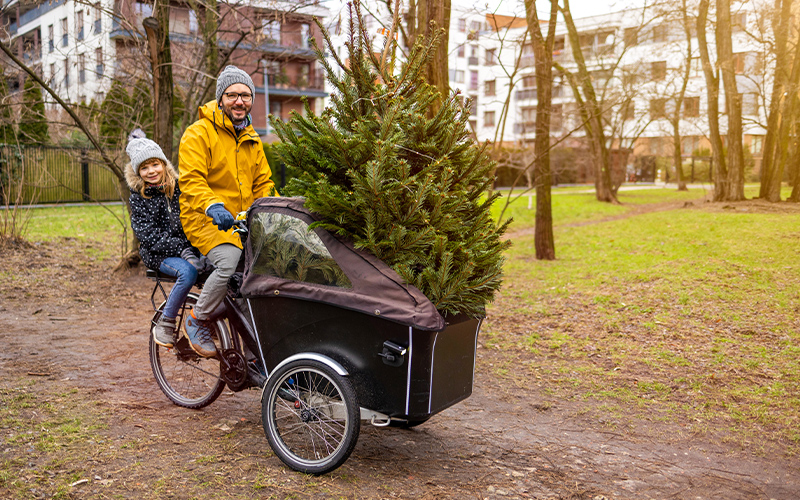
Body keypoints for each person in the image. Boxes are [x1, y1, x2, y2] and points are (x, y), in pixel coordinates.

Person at [178, 65, 278, 357]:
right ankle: (197, 319)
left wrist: (274, 210)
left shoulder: (251, 138)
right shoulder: (198, 134)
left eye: (246, 95)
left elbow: (264, 183)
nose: (239, 101)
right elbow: (191, 180)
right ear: (221, 98)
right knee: (230, 259)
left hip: (241, 221)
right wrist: (212, 205)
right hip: (204, 218)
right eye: (232, 94)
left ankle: (255, 347)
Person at [125, 130, 209, 350]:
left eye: (155, 164)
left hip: (188, 248)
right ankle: (167, 321)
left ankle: (206, 322)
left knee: (221, 269)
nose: (151, 171)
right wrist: (182, 249)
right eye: (144, 167)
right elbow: (147, 235)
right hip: (159, 254)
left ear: (163, 163)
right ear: (137, 171)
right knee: (188, 272)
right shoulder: (138, 198)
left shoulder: (179, 188)